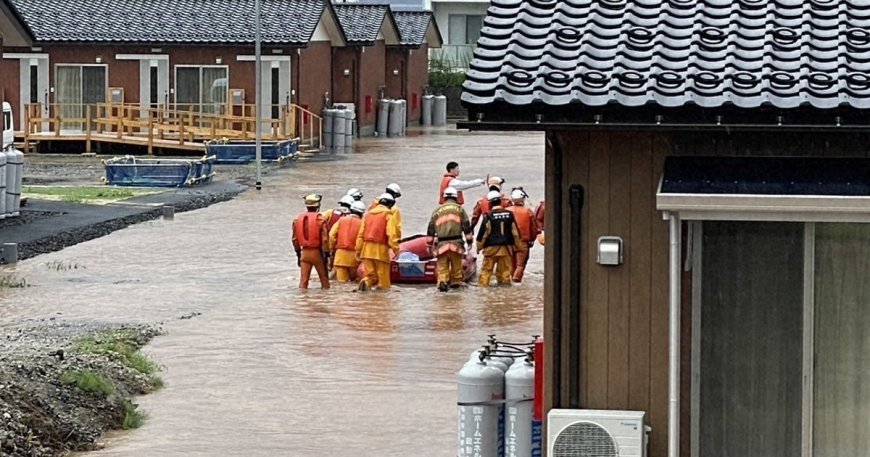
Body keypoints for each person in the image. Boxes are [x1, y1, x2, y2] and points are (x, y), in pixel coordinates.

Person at [427, 186, 474, 292]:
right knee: (456, 268)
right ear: (455, 197)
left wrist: (429, 244)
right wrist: (469, 241)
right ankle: (455, 284)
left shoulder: (437, 211)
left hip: (441, 244)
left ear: (444, 198)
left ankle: (442, 282)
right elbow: (466, 227)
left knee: (442, 268)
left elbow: (431, 228)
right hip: (456, 244)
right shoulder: (460, 209)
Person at [476, 190, 523, 287]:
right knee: (505, 273)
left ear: (490, 203)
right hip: (506, 248)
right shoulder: (509, 214)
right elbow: (515, 232)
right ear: (500, 201)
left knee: (486, 272)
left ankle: (483, 294)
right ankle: (504, 296)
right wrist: (518, 245)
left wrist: (478, 247)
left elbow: (483, 234)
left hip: (491, 249)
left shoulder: (488, 216)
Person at [356, 193, 400, 291]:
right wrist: (395, 249)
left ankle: (366, 282)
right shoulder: (388, 215)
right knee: (383, 278)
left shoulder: (368, 215)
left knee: (370, 275)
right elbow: (391, 233)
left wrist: (358, 250)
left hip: (366, 249)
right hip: (380, 249)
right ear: (390, 205)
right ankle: (381, 299)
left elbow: (361, 234)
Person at [292, 193, 330, 289]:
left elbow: (295, 239)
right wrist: (327, 254)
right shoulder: (321, 219)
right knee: (324, 280)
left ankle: (303, 301)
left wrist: (298, 254)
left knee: (303, 282)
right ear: (318, 205)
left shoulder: (297, 220)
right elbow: (325, 240)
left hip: (304, 253)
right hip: (317, 253)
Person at [506, 188, 540, 282]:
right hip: (523, 242)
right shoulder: (527, 211)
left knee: (512, 263)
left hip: (509, 242)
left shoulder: (506, 211)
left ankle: (511, 281)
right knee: (520, 264)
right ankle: (516, 281)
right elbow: (534, 228)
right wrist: (532, 239)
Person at [329, 200, 366, 282]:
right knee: (354, 282)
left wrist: (331, 249)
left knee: (342, 284)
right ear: (362, 213)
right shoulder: (362, 223)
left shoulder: (341, 220)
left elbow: (331, 235)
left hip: (340, 257)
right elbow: (362, 239)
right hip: (354, 257)